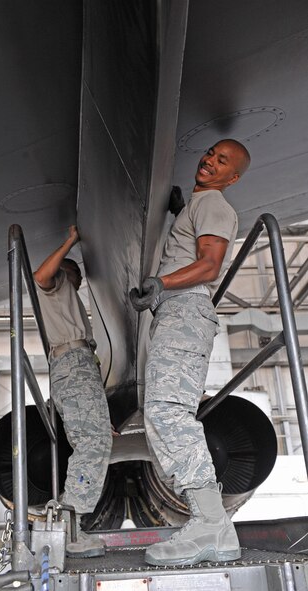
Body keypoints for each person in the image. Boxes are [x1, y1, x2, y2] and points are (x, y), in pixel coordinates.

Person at [130, 139, 251, 566]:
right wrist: (181, 210)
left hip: (184, 309)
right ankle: (209, 523)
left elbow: (210, 264)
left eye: (222, 162)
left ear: (232, 177)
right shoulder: (201, 204)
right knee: (163, 412)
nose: (209, 161)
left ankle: (211, 525)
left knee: (167, 412)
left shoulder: (215, 204)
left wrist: (161, 285)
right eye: (210, 153)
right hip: (176, 312)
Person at [33, 225, 113, 558]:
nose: (77, 280)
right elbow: (41, 276)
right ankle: (68, 525)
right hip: (74, 365)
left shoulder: (68, 300)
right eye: (73, 273)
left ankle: (70, 523)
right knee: (93, 444)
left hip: (79, 369)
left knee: (96, 439)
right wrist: (69, 242)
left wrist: (99, 413)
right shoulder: (55, 287)